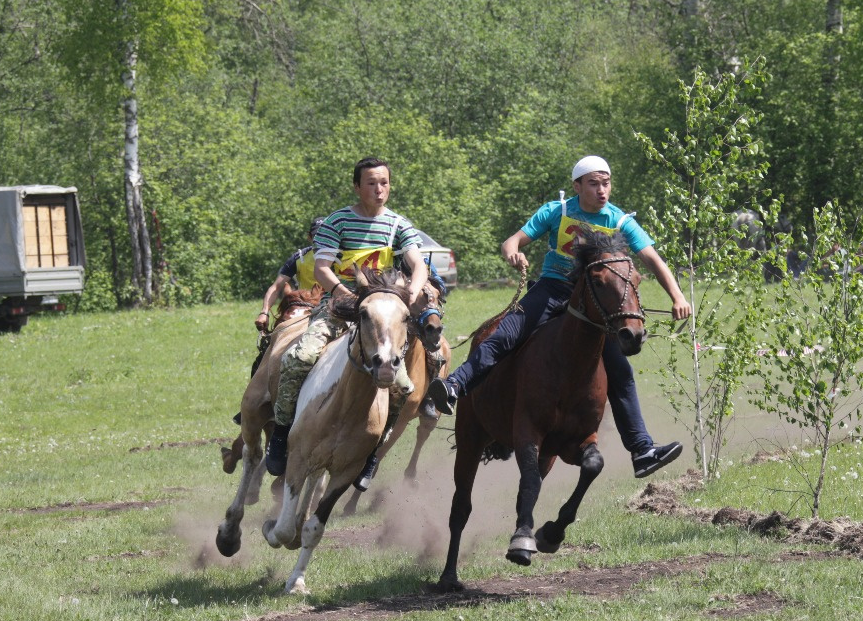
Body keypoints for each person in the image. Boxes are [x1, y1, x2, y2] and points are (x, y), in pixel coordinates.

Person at [427, 155, 693, 478]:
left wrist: (677, 296)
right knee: (506, 336)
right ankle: (453, 386)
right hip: (552, 290)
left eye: (606, 183)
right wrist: (513, 251)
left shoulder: (620, 221)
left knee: (621, 372)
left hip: (593, 307)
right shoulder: (558, 211)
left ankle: (642, 450)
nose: (601, 190)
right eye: (593, 183)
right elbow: (513, 240)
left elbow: (652, 259)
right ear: (577, 186)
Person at [264, 157, 429, 480]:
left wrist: (414, 288)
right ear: (357, 187)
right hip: (338, 306)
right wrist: (347, 295)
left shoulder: (398, 224)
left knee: (404, 384)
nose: (379, 189)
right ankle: (282, 435)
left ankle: (374, 449)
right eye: (371, 183)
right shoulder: (337, 222)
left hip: (383, 313)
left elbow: (417, 263)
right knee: (300, 358)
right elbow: (323, 268)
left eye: (384, 182)